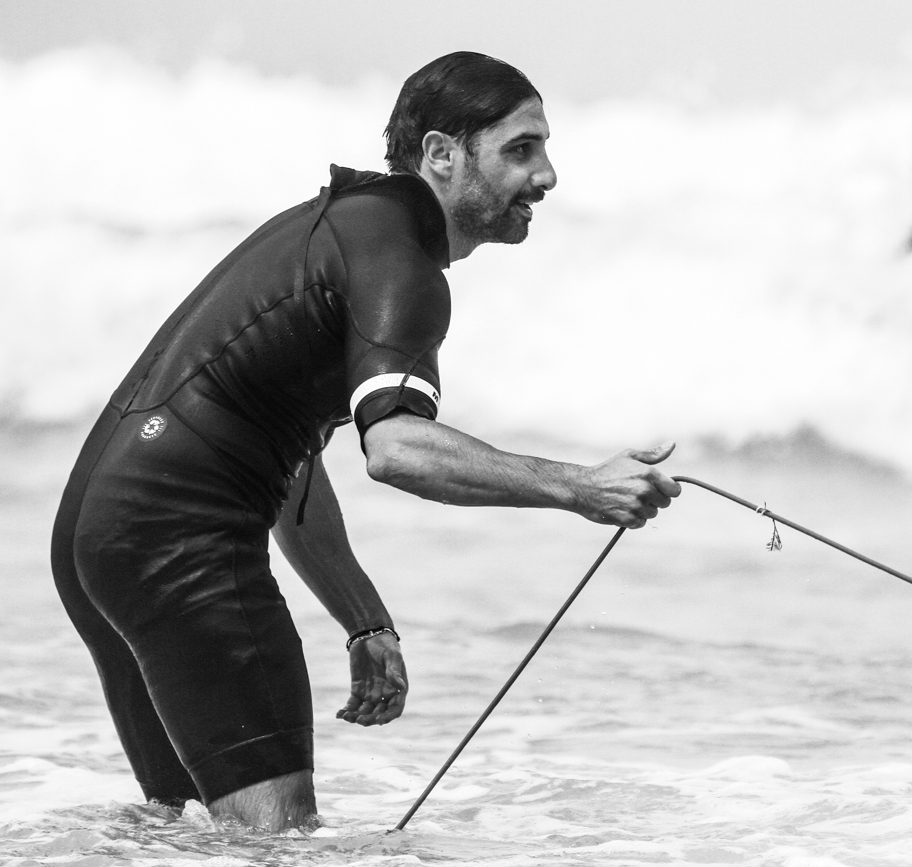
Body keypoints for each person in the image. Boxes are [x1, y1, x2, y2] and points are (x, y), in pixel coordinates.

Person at [49, 52, 681, 832]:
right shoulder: (400, 260)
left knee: (172, 834)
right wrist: (579, 487)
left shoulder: (352, 229)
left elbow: (289, 460)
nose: (546, 175)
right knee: (277, 839)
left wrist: (364, 618)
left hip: (97, 534)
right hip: (175, 537)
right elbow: (396, 448)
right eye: (521, 149)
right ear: (442, 154)